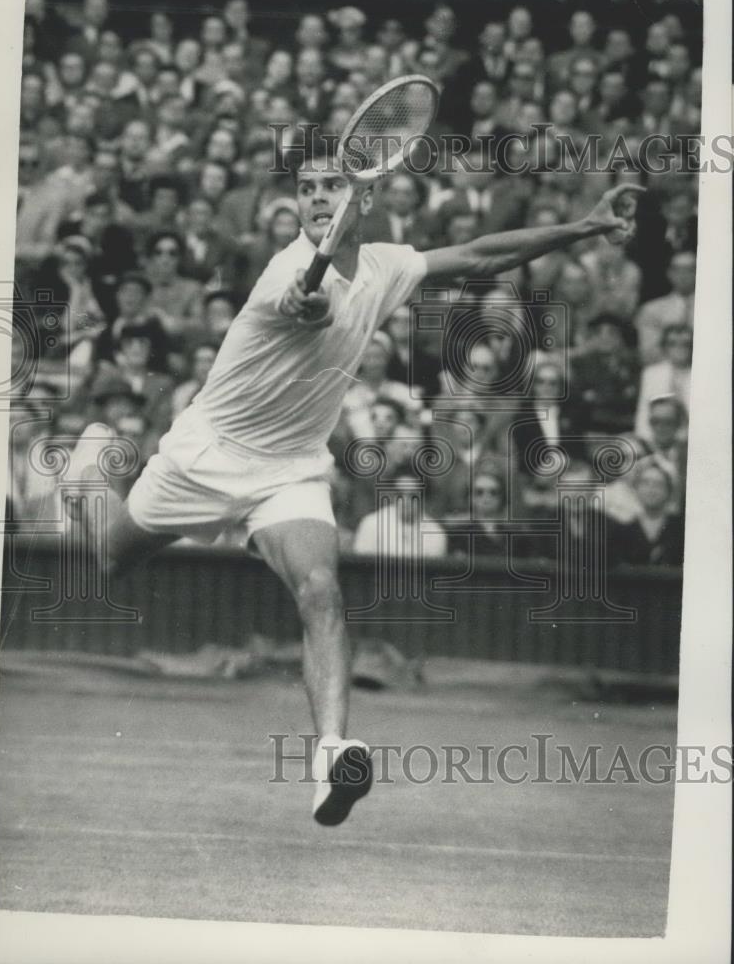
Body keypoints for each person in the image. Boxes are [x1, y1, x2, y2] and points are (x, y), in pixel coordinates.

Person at [65, 135, 643, 826]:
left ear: (361, 197)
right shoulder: (284, 273)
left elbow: (483, 253)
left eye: (331, 185)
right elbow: (301, 306)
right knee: (110, 557)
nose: (316, 196)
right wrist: (309, 303)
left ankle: (331, 753)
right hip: (206, 456)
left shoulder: (388, 265)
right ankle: (91, 464)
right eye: (306, 187)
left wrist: (583, 224)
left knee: (321, 590)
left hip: (291, 469)